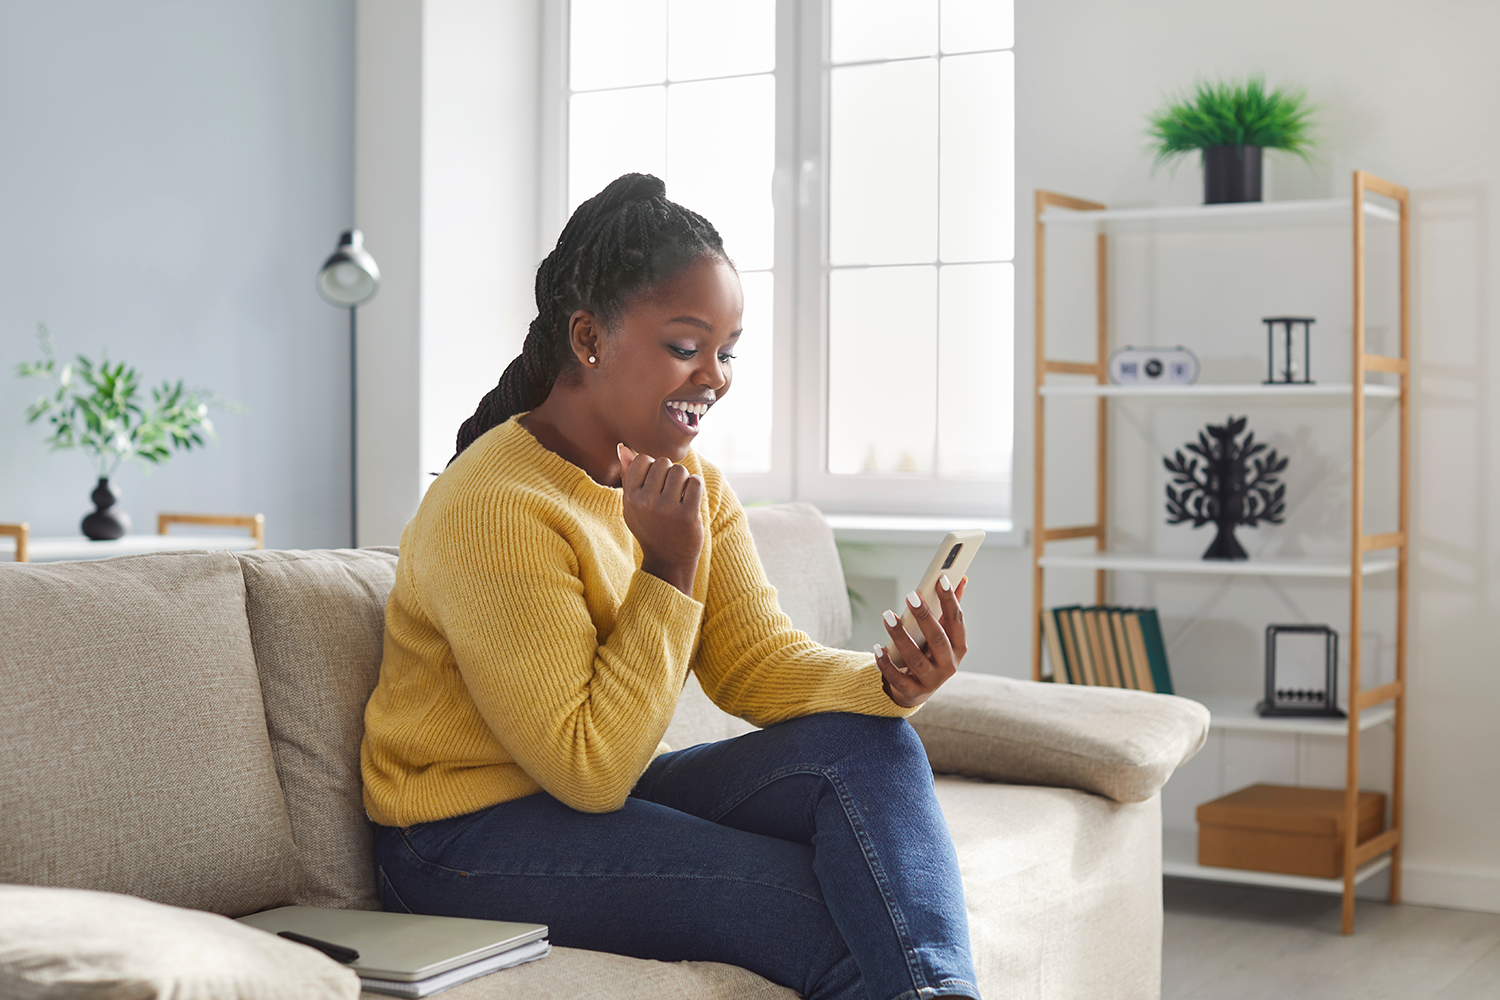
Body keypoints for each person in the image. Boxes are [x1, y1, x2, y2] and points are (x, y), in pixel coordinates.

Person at [361, 173, 980, 1000]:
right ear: (588, 338)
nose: (715, 377)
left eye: (727, 352)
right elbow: (589, 768)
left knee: (871, 743)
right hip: (455, 841)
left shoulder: (690, 483)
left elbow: (753, 663)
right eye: (687, 348)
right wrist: (667, 567)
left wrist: (887, 679)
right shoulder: (496, 508)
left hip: (585, 794)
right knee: (820, 913)